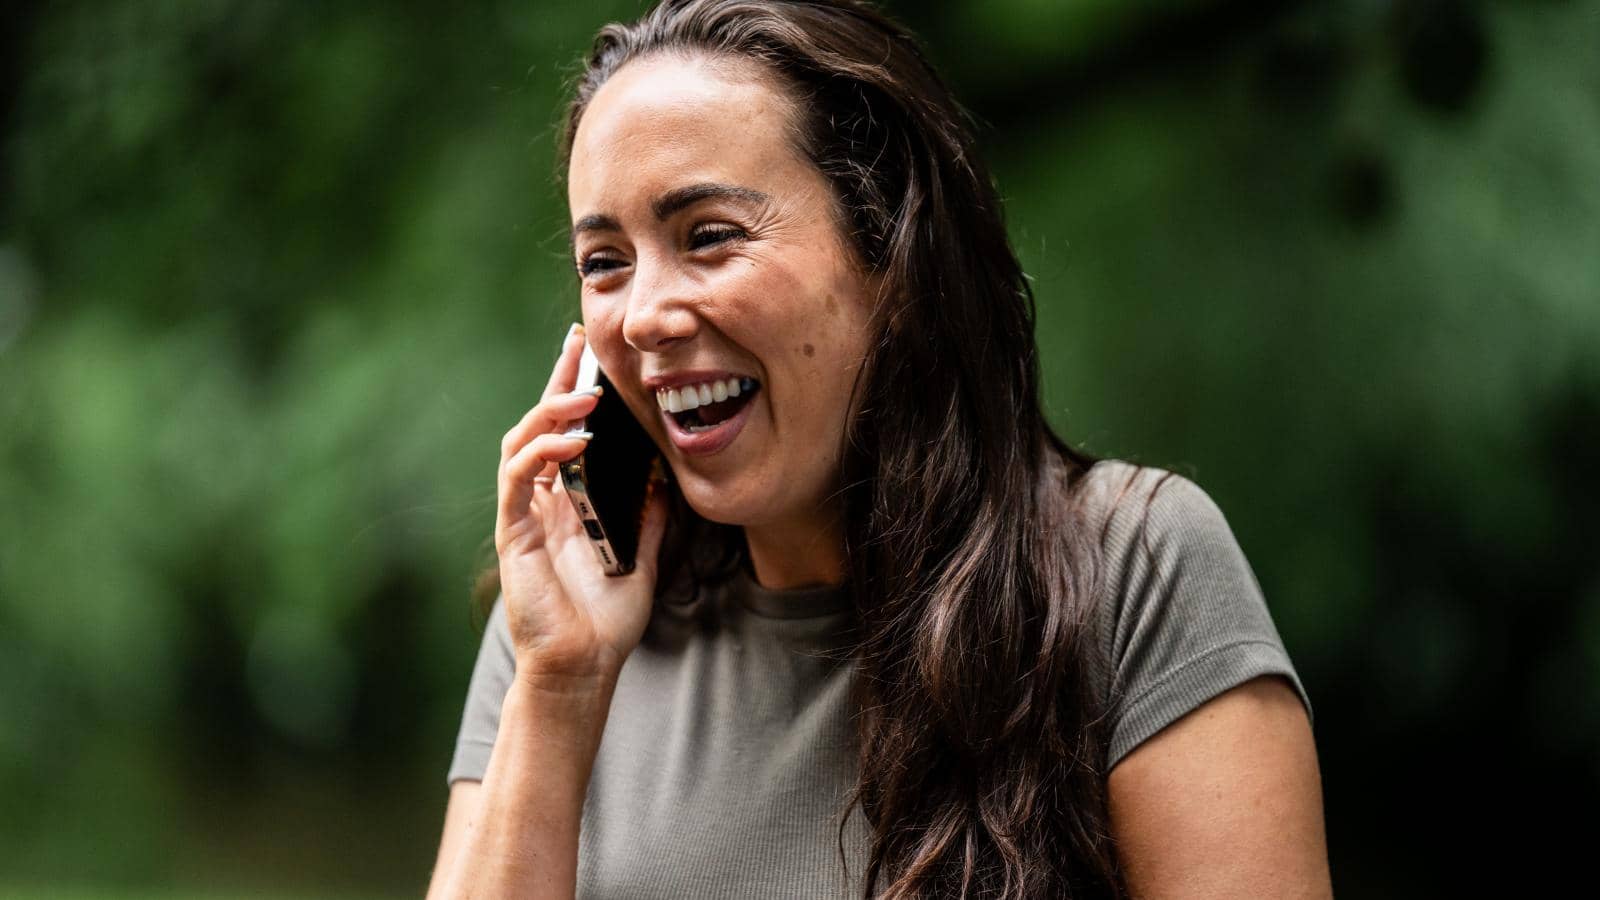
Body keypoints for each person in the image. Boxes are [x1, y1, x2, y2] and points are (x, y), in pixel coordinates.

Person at [426, 1, 1330, 897]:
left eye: (709, 236)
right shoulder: (559, 620)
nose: (646, 317)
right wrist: (561, 687)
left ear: (890, 249)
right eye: (605, 262)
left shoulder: (1134, 569)